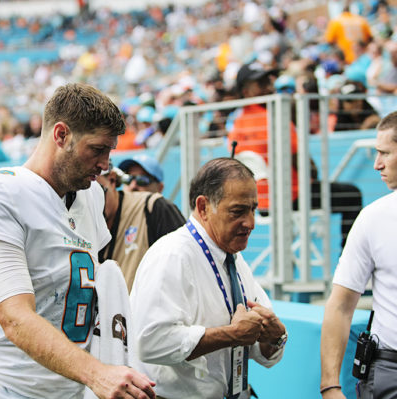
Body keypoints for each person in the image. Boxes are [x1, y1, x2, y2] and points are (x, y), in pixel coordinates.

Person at [0, 83, 156, 399]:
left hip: (71, 389)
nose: (105, 164)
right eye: (97, 149)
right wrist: (98, 373)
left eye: (109, 151)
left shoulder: (91, 195)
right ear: (61, 135)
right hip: (10, 390)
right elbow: (15, 318)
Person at [130, 158, 287, 398]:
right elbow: (151, 342)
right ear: (203, 207)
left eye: (254, 209)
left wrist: (274, 337)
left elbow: (260, 349)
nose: (251, 223)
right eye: (238, 211)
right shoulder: (172, 255)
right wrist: (231, 335)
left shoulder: (235, 260)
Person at [228, 61, 363, 248]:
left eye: (269, 81)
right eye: (261, 83)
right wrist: (312, 173)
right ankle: (348, 259)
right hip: (290, 196)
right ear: (246, 91)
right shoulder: (274, 116)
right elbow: (300, 160)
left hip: (258, 201)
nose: (269, 87)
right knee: (352, 195)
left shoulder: (237, 125)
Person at [320, 111, 397, 399]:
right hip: (389, 371)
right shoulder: (373, 219)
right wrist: (329, 387)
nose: (377, 164)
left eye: (384, 153)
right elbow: (340, 305)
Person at [97, 165, 184, 291]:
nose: (93, 201)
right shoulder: (81, 218)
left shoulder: (154, 207)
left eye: (99, 192)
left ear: (112, 180)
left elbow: (184, 266)